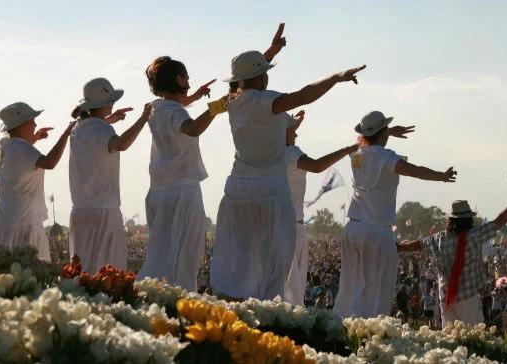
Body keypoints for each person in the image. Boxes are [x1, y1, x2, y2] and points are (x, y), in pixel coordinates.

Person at [211, 23, 366, 300]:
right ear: (262, 79)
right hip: (269, 192)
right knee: (273, 267)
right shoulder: (267, 102)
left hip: (236, 191)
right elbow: (304, 94)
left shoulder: (230, 102)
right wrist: (336, 77)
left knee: (240, 264)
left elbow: (247, 82)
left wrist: (269, 53)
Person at [333, 111, 457, 318]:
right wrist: (441, 176)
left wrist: (386, 131)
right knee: (377, 290)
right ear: (382, 134)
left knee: (350, 285)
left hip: (353, 229)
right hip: (377, 231)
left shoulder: (356, 154)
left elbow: (364, 144)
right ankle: (367, 334)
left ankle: (342, 327)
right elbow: (415, 170)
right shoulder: (387, 157)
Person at [136, 56, 222, 290]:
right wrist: (218, 107)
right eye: (184, 75)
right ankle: (179, 306)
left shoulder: (156, 108)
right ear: (176, 79)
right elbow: (192, 128)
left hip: (159, 191)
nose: (188, 79)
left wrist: (194, 96)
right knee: (185, 257)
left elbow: (175, 107)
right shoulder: (176, 112)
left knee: (161, 252)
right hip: (182, 191)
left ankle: (150, 295)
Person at [69, 77, 152, 273]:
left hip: (80, 212)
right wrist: (143, 118)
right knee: (110, 273)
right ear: (106, 103)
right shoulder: (104, 129)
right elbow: (121, 143)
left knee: (83, 273)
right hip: (104, 211)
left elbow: (94, 132)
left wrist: (109, 120)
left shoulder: (77, 129)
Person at [397, 199, 507, 325]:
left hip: (446, 298)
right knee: (473, 337)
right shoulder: (474, 235)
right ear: (469, 219)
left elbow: (419, 244)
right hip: (468, 297)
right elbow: (500, 220)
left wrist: (400, 247)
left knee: (450, 337)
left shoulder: (439, 239)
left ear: (451, 220)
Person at [283, 110, 359, 305]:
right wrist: (347, 149)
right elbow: (317, 166)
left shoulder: (269, 151)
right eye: (293, 130)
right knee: (294, 290)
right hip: (292, 228)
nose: (297, 133)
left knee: (282, 286)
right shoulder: (291, 153)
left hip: (280, 224)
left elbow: (279, 133)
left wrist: (293, 124)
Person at [0, 102, 75, 261]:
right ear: (21, 124)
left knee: (4, 274)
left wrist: (34, 138)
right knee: (32, 275)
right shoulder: (22, 148)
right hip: (24, 223)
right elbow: (49, 162)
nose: (35, 123)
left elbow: (18, 158)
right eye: (31, 120)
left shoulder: (3, 146)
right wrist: (66, 134)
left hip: (1, 221)